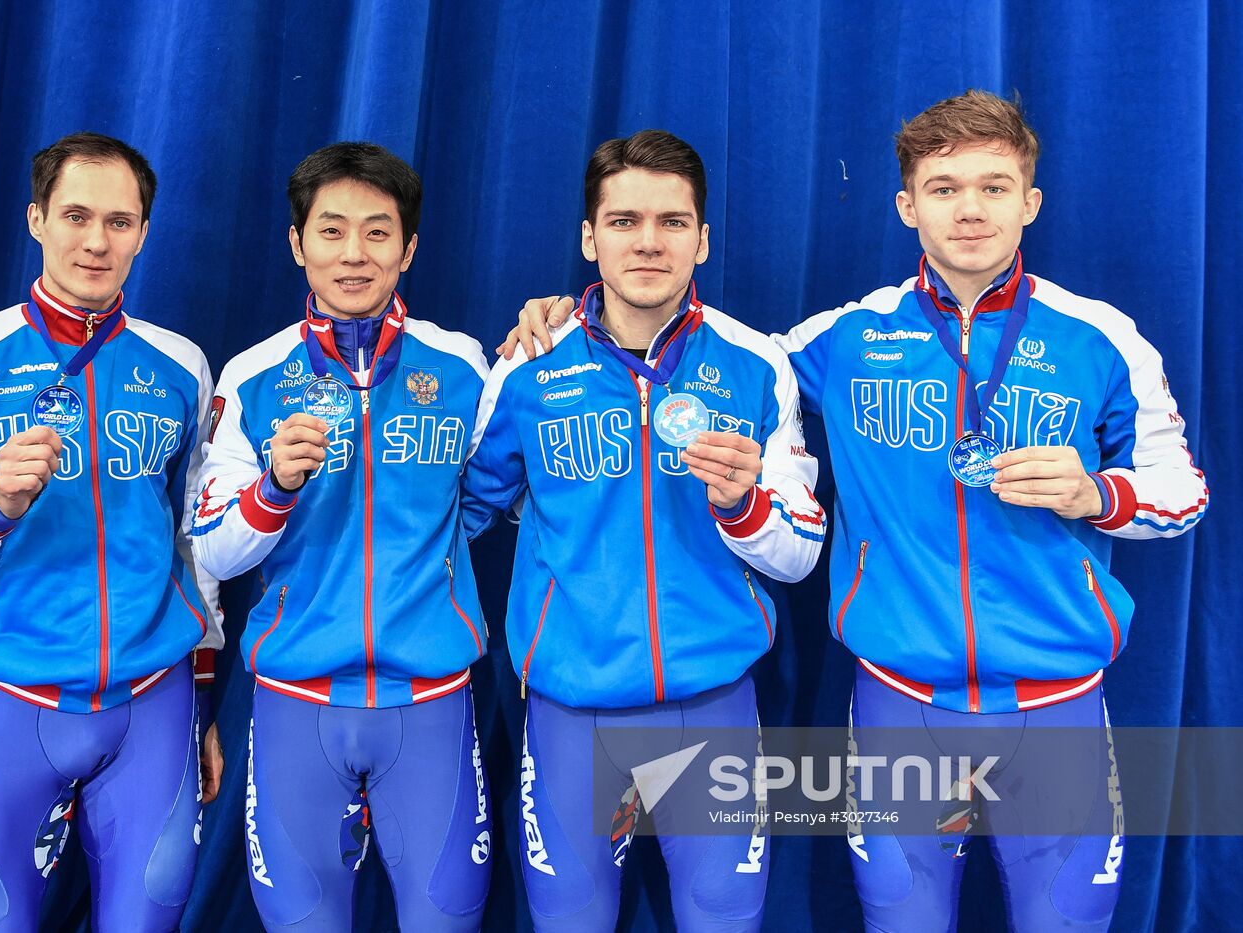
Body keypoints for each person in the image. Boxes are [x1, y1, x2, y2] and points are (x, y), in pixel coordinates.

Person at [501, 92, 1208, 932]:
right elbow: (706, 352)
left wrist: (1101, 493)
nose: (971, 208)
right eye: (944, 188)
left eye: (994, 185)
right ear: (907, 205)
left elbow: (1185, 493)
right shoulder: (837, 339)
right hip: (899, 699)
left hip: (1056, 700)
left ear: (1032, 201)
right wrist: (562, 317)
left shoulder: (1104, 336)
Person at [465, 129, 826, 931]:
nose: (649, 242)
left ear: (703, 237)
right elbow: (453, 517)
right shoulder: (527, 367)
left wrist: (744, 506)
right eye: (624, 221)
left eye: (672, 221)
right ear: (590, 237)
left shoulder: (754, 363)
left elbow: (800, 552)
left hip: (715, 706)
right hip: (570, 712)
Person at [0, 132, 224, 932]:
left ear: (143, 231)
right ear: (36, 219)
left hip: (152, 704)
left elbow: (195, 551)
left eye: (120, 221)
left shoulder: (181, 365)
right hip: (10, 701)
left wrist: (202, 699)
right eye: (75, 215)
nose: (97, 241)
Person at [190, 142, 493, 931]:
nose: (354, 254)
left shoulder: (465, 366)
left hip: (429, 702)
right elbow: (215, 553)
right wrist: (273, 489)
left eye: (377, 232)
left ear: (409, 247)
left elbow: (498, 494)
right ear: (297, 244)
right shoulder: (250, 375)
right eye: (331, 231)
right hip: (298, 704)